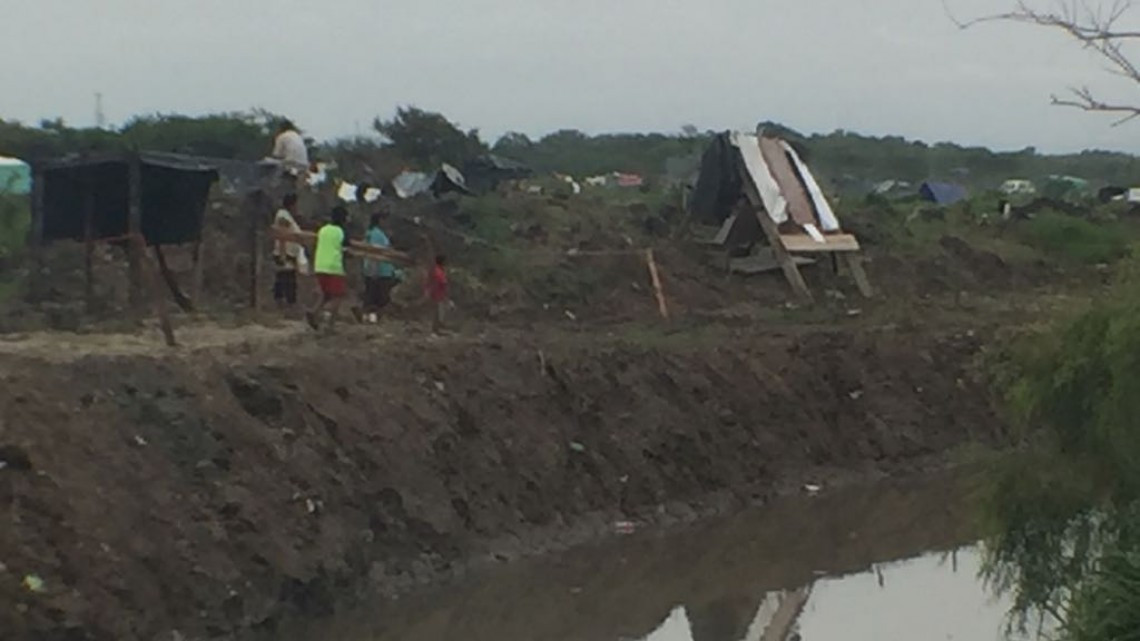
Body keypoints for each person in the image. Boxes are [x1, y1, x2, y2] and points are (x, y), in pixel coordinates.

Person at [306, 206, 352, 331]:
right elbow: (346, 249)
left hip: (320, 265)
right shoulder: (342, 231)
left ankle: (314, 312)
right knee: (337, 296)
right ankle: (330, 325)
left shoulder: (323, 229)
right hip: (334, 266)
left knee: (326, 294)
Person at [360, 212, 399, 323]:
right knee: (377, 296)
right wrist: (374, 271)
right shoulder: (376, 234)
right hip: (379, 270)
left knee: (372, 294)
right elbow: (375, 253)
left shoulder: (372, 233)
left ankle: (370, 317)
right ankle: (372, 317)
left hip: (376, 269)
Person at [272, 194, 307, 308]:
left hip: (291, 253)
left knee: (286, 279)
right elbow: (282, 234)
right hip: (285, 253)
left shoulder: (289, 217)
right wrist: (282, 254)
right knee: (286, 280)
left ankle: (285, 304)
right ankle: (286, 304)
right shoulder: (283, 216)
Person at [270, 120, 310, 189]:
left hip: (291, 163)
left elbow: (276, 155)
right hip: (303, 164)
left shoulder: (281, 136)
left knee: (273, 170)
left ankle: (273, 187)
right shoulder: (297, 136)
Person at [424, 254, 449, 334]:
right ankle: (435, 330)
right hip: (438, 295)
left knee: (436, 313)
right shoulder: (439, 272)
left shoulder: (434, 270)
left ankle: (435, 329)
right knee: (438, 313)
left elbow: (427, 282)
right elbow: (443, 283)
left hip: (434, 294)